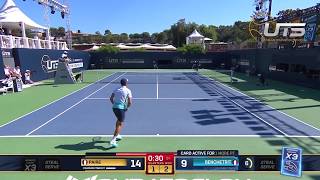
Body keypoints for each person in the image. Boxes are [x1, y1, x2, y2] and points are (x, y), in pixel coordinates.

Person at [109, 78, 133, 147]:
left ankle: (117, 135)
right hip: (121, 109)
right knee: (120, 124)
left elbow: (111, 98)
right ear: (126, 83)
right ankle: (113, 140)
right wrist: (127, 108)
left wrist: (115, 104)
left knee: (118, 120)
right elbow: (130, 102)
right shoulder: (128, 90)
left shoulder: (116, 89)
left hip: (114, 108)